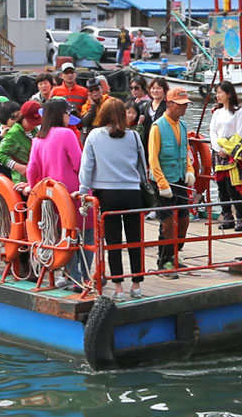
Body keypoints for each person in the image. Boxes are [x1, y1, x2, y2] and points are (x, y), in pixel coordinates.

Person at [79, 97, 147, 300]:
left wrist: (83, 189)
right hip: (132, 191)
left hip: (106, 193)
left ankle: (118, 287)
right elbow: (142, 165)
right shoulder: (133, 136)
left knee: (113, 241)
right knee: (135, 239)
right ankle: (136, 284)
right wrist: (142, 183)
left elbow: (87, 166)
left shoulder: (94, 135)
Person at [25, 98, 85, 289]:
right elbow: (79, 164)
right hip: (71, 193)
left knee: (61, 235)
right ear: (61, 114)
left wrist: (31, 187)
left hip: (49, 197)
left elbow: (31, 169)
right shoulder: (67, 134)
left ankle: (67, 275)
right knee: (84, 235)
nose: (69, 117)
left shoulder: (37, 138)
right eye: (68, 113)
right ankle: (80, 277)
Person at [149, 88, 196, 279]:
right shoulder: (157, 127)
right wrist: (162, 184)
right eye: (181, 105)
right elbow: (153, 159)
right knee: (167, 223)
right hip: (164, 181)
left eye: (186, 105)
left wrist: (190, 171)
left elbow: (185, 151)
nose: (184, 108)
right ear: (169, 104)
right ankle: (163, 261)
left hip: (179, 179)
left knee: (184, 219)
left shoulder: (182, 126)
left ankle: (175, 254)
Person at [209, 80, 242, 231]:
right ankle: (227, 216)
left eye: (220, 92)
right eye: (216, 93)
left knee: (233, 187)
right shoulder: (217, 113)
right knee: (221, 187)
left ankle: (240, 217)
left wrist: (228, 150)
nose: (217, 96)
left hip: (232, 153)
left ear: (229, 94)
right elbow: (213, 132)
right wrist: (217, 148)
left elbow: (240, 133)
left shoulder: (238, 112)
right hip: (218, 153)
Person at [0, 100, 41, 183]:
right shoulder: (14, 133)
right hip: (22, 180)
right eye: (31, 122)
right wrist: (18, 167)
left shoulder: (35, 130)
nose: (34, 125)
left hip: (38, 176)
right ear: (22, 117)